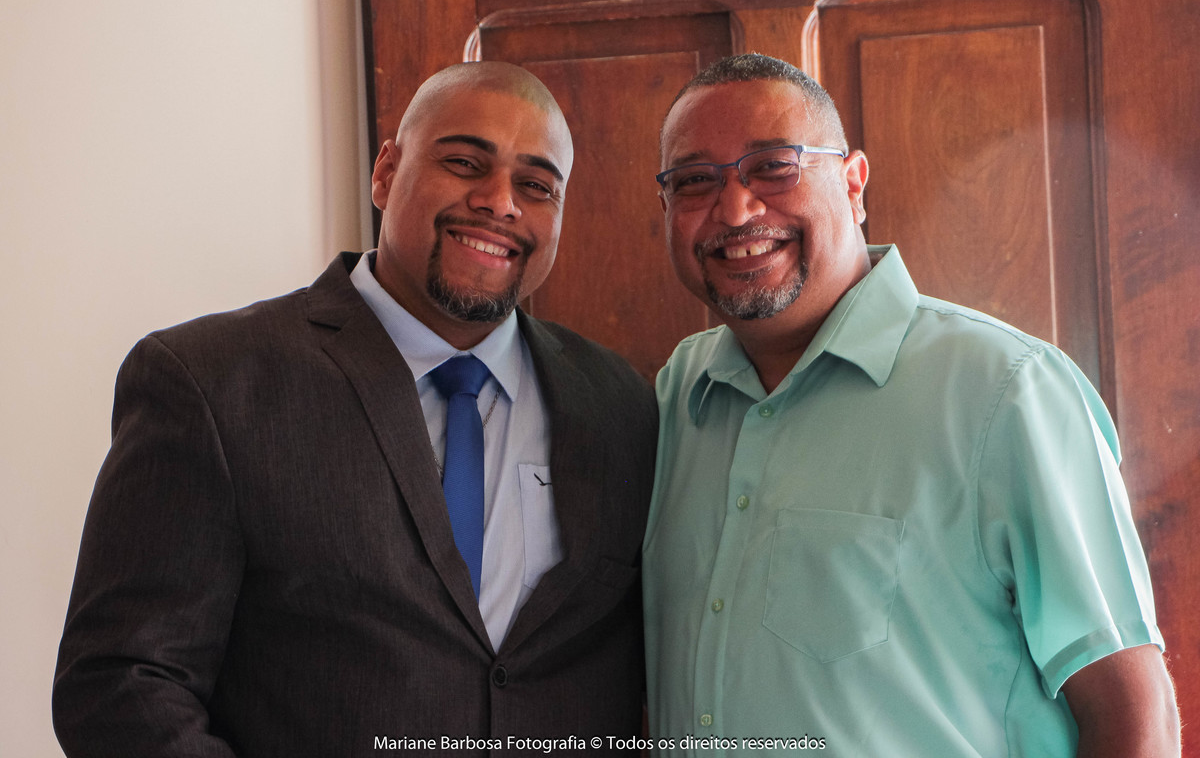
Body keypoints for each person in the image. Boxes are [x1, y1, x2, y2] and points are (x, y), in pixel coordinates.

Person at [53, 61, 657, 756]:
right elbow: (122, 682)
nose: (500, 202)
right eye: (465, 163)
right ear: (386, 173)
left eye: (536, 186)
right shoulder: (210, 382)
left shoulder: (620, 404)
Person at [642, 54, 1179, 756]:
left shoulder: (1007, 392)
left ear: (853, 183)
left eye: (774, 167)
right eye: (695, 180)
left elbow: (1132, 714)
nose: (737, 209)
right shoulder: (677, 395)